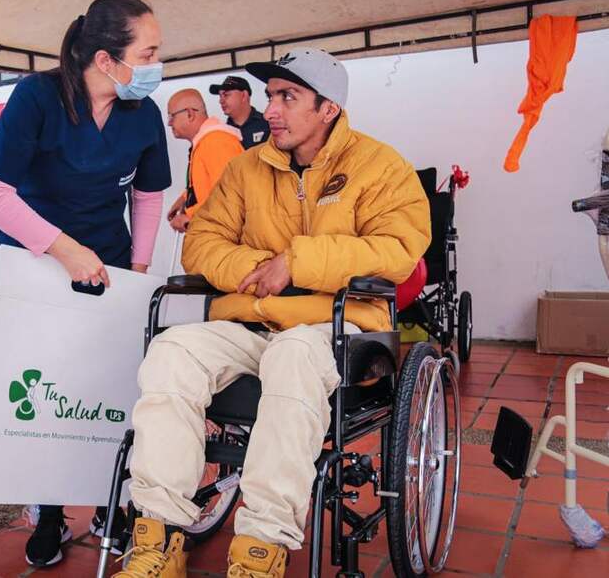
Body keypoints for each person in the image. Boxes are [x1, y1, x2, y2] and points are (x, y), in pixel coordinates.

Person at [117, 47, 431, 577]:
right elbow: (202, 243)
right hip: (253, 318)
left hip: (339, 326)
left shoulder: (380, 166)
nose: (272, 110)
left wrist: (298, 262)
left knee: (294, 353)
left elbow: (398, 251)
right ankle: (159, 537)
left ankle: (259, 550)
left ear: (328, 108)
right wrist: (263, 266)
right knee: (171, 351)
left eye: (288, 97)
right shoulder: (246, 168)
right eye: (270, 96)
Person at [0, 0, 171, 568]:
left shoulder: (142, 113)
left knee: (108, 387)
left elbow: (148, 196)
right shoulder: (38, 97)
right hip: (35, 266)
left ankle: (111, 503)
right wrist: (64, 250)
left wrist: (137, 272)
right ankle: (51, 512)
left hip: (109, 266)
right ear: (107, 59)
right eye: (149, 53)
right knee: (46, 391)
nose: (157, 65)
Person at [165, 89, 243, 233]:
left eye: (171, 116)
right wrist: (185, 198)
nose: (169, 123)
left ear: (190, 114)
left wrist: (189, 216)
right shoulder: (207, 141)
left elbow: (228, 197)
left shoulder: (216, 142)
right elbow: (211, 185)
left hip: (225, 237)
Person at [209, 75, 270, 149]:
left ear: (244, 95)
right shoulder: (223, 133)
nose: (221, 101)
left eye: (226, 95)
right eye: (220, 96)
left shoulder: (269, 124)